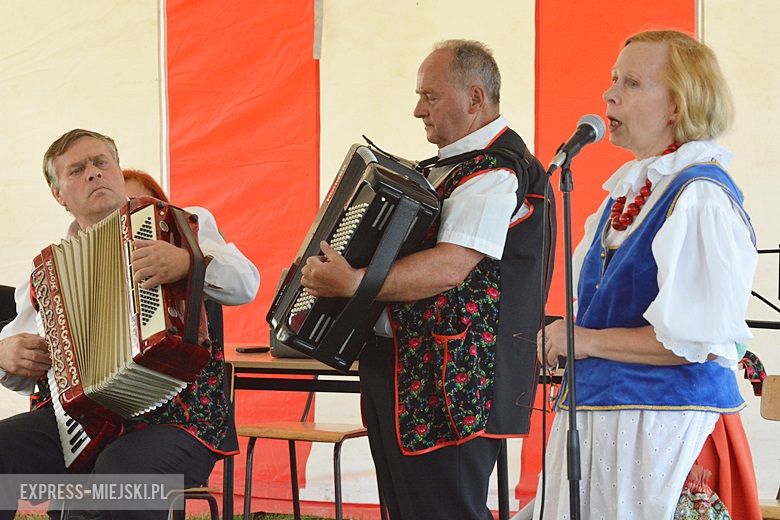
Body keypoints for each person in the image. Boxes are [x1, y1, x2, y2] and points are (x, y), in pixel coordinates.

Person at [301, 40, 554, 519]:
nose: (418, 110)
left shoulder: (496, 170)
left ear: (475, 99)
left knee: (445, 509)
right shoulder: (451, 168)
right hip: (404, 369)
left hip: (450, 383)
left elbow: (450, 266)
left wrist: (354, 282)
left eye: (430, 96)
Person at [535, 30, 758, 519]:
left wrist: (584, 341)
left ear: (677, 105)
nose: (609, 94)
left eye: (632, 83)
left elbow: (689, 342)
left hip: (663, 434)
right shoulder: (626, 198)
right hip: (606, 426)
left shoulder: (699, 197)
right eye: (613, 79)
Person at [0, 129, 260, 519]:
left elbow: (246, 283)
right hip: (79, 426)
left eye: (101, 162)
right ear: (59, 195)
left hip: (180, 420)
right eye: (77, 170)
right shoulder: (44, 274)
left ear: (118, 171)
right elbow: (20, 374)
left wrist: (190, 264)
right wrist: (6, 356)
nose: (93, 173)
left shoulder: (181, 223)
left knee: (116, 478)